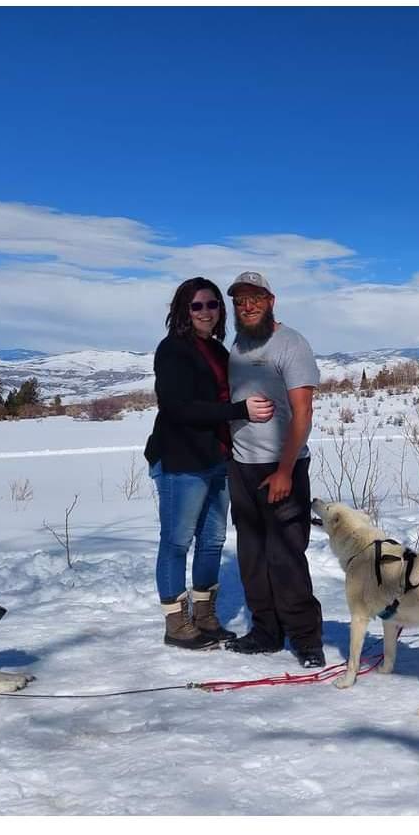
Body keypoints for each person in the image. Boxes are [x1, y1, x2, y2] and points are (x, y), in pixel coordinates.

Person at [144, 278, 274, 649]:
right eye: (197, 305)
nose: (206, 311)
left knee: (213, 540)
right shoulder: (173, 350)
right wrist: (239, 410)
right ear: (184, 310)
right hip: (181, 460)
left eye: (213, 304)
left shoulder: (217, 351)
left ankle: (205, 615)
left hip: (217, 457)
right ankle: (176, 623)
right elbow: (178, 407)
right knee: (176, 541)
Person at [223, 271, 325, 668]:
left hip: (283, 467)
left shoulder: (291, 344)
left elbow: (303, 412)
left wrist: (284, 470)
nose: (247, 306)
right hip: (242, 467)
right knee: (252, 556)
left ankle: (306, 638)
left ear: (271, 300)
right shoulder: (238, 344)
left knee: (285, 557)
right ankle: (266, 632)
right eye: (239, 300)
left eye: (255, 298)